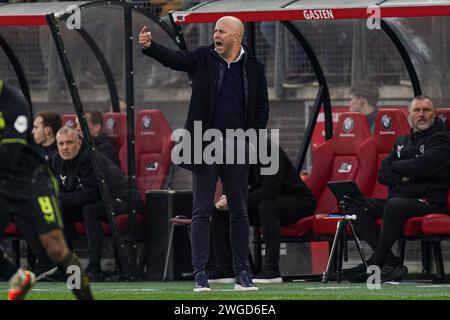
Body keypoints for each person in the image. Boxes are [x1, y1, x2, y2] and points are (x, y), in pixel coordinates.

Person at [139, 15, 269, 291]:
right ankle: (200, 273)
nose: (215, 36)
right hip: (204, 143)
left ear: (236, 36)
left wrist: (252, 138)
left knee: (239, 211)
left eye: (221, 31)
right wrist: (151, 47)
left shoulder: (254, 66)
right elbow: (176, 60)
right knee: (201, 210)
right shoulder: (203, 57)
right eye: (214, 31)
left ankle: (242, 273)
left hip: (237, 144)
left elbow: (262, 109)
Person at [0, 79, 93, 300]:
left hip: (33, 182)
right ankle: (18, 278)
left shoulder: (14, 103)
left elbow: (9, 154)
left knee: (56, 248)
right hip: (4, 185)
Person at [343, 95, 450, 283]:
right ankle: (391, 264)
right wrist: (407, 172)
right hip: (399, 200)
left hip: (428, 201)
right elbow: (383, 174)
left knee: (394, 205)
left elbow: (421, 166)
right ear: (409, 115)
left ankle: (375, 263)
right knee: (354, 205)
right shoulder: (402, 141)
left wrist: (400, 167)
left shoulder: (441, 140)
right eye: (417, 111)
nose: (422, 115)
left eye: (426, 110)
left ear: (434, 115)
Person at [211, 144, 316, 283]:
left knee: (266, 205)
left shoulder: (269, 150)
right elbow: (230, 184)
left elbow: (270, 190)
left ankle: (272, 270)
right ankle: (225, 268)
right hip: (263, 202)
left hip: (297, 201)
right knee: (218, 211)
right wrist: (226, 199)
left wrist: (236, 200)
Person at [52, 126, 135, 281]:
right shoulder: (56, 160)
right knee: (62, 210)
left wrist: (58, 199)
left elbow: (90, 195)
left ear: (79, 142)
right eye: (61, 144)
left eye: (69, 142)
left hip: (122, 199)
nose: (65, 147)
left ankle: (94, 268)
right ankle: (64, 266)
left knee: (90, 209)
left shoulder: (88, 159)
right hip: (96, 202)